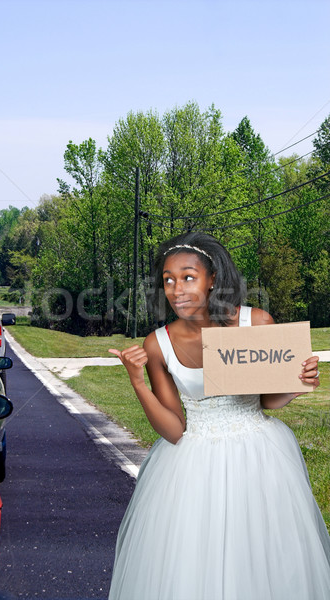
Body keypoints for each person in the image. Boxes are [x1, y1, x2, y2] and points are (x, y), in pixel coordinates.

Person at [108, 231, 330, 600]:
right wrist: (138, 382)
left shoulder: (255, 323)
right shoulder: (157, 344)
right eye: (168, 280)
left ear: (212, 280)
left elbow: (268, 400)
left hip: (260, 456)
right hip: (192, 466)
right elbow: (175, 430)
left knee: (263, 557)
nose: (177, 289)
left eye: (188, 277)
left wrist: (298, 382)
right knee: (196, 564)